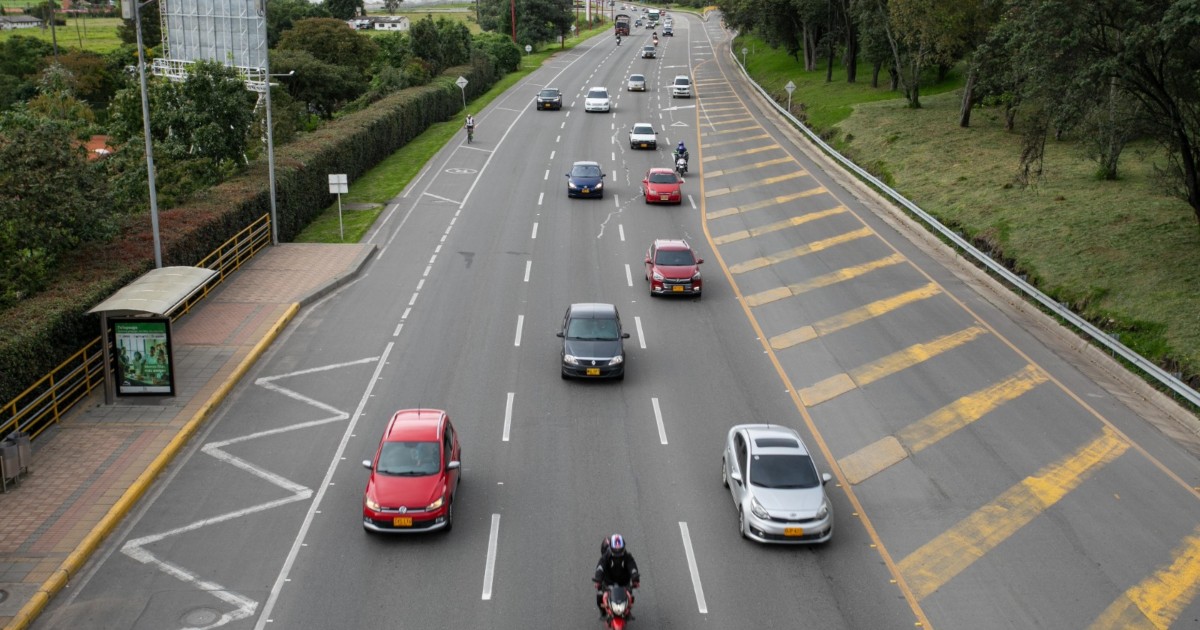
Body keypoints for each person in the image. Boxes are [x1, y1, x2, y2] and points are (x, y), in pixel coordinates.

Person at [593, 533, 640, 617]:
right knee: (599, 596)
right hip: (608, 583)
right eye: (615, 550)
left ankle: (627, 610)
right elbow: (600, 567)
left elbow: (632, 567)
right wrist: (598, 579)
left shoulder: (627, 557)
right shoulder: (606, 557)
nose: (618, 554)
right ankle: (603, 612)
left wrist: (635, 577)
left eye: (620, 550)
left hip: (623, 583)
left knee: (630, 596)